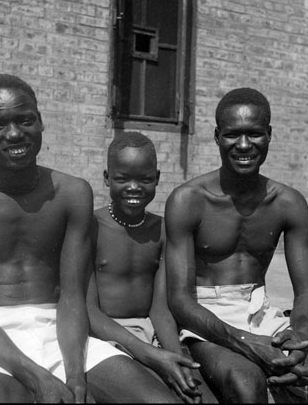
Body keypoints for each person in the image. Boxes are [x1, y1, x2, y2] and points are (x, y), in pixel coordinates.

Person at [0, 74, 186, 403]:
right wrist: (38, 378)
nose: (14, 134)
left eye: (25, 120)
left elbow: (71, 295)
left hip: (64, 331)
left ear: (40, 122)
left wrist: (75, 374)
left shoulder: (72, 193)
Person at [164, 88, 308, 403]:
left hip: (263, 315)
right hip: (207, 321)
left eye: (255, 134)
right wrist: (248, 343)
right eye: (233, 135)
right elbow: (180, 301)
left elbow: (306, 295)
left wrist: (300, 335)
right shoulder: (188, 200)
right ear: (218, 136)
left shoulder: (288, 202)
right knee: (247, 387)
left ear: (270, 135)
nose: (244, 145)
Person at [86, 132, 217, 403]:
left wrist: (178, 358)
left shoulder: (162, 230)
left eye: (144, 179)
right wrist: (152, 356)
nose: (134, 187)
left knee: (198, 393)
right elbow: (88, 311)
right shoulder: (90, 227)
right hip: (104, 337)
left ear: (157, 178)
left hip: (150, 333)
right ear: (107, 178)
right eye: (123, 178)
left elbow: (160, 308)